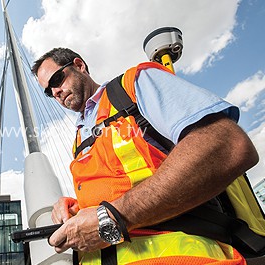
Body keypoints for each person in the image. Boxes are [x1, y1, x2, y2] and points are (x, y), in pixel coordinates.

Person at [31, 47, 260, 265]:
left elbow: (226, 145)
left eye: (56, 80)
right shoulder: (79, 140)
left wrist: (110, 218)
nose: (55, 92)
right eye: (48, 91)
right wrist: (76, 208)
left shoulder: (132, 87)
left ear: (79, 65)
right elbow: (119, 186)